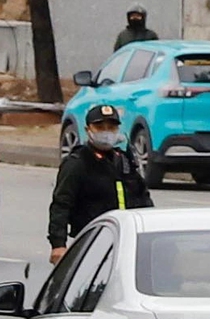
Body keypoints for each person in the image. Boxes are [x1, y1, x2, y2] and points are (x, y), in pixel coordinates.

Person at [48, 103, 151, 263]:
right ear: (88, 129)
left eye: (111, 127)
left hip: (126, 240)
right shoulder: (77, 163)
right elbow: (61, 204)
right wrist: (58, 244)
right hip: (92, 240)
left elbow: (142, 198)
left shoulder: (124, 160)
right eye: (100, 127)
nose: (106, 132)